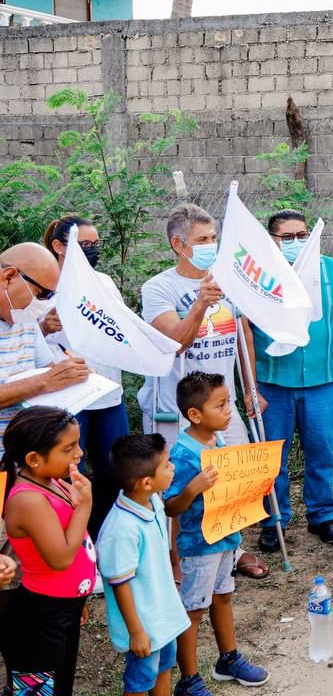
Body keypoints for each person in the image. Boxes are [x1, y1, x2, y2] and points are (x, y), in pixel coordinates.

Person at [139, 204, 267, 580]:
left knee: (233, 476)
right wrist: (200, 303)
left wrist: (250, 388)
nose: (211, 245)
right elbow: (174, 343)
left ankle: (231, 547)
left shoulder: (228, 278)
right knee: (176, 480)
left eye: (213, 238)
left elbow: (243, 336)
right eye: (202, 240)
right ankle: (176, 554)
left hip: (222, 406)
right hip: (176, 409)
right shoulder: (159, 288)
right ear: (179, 244)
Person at [251, 210, 333, 551]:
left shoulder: (328, 269)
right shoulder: (258, 273)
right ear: (272, 240)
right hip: (273, 383)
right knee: (272, 459)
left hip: (321, 380)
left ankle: (323, 515)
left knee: (321, 451)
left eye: (303, 235)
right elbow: (245, 332)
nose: (297, 242)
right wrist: (251, 386)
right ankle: (273, 520)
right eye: (288, 236)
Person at [164, 373, 269, 696]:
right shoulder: (182, 453)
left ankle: (228, 659)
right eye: (221, 405)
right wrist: (193, 489)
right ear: (195, 414)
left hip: (226, 537)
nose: (228, 411)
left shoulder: (216, 440)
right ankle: (188, 679)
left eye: (228, 403)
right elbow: (171, 507)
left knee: (224, 596)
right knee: (193, 609)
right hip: (199, 545)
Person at [41, 215, 130, 538]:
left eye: (95, 244)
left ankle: (99, 536)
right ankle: (67, 541)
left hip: (107, 393)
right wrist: (42, 327)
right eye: (84, 245)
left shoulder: (103, 282)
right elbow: (24, 339)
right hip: (67, 398)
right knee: (66, 473)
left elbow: (121, 328)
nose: (92, 250)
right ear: (59, 246)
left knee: (114, 470)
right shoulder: (41, 287)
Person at [0, 406, 96, 696]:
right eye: (68, 448)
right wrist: (86, 505)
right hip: (39, 617)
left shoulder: (52, 481)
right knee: (35, 691)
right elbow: (61, 557)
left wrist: (80, 596)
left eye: (77, 444)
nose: (78, 453)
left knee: (59, 687)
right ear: (34, 459)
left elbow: (76, 542)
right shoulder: (29, 499)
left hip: (63, 607)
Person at [97, 434, 189, 696]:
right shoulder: (122, 529)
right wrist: (136, 632)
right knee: (140, 681)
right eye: (167, 465)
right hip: (144, 624)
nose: (173, 468)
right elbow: (120, 583)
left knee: (164, 668)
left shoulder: (152, 501)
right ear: (146, 482)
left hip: (163, 614)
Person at [0, 243, 90, 446]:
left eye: (50, 296)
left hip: (20, 460)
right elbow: (45, 379)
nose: (42, 303)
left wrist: (72, 374)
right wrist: (45, 381)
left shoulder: (25, 320)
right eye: (41, 294)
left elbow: (47, 370)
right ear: (8, 277)